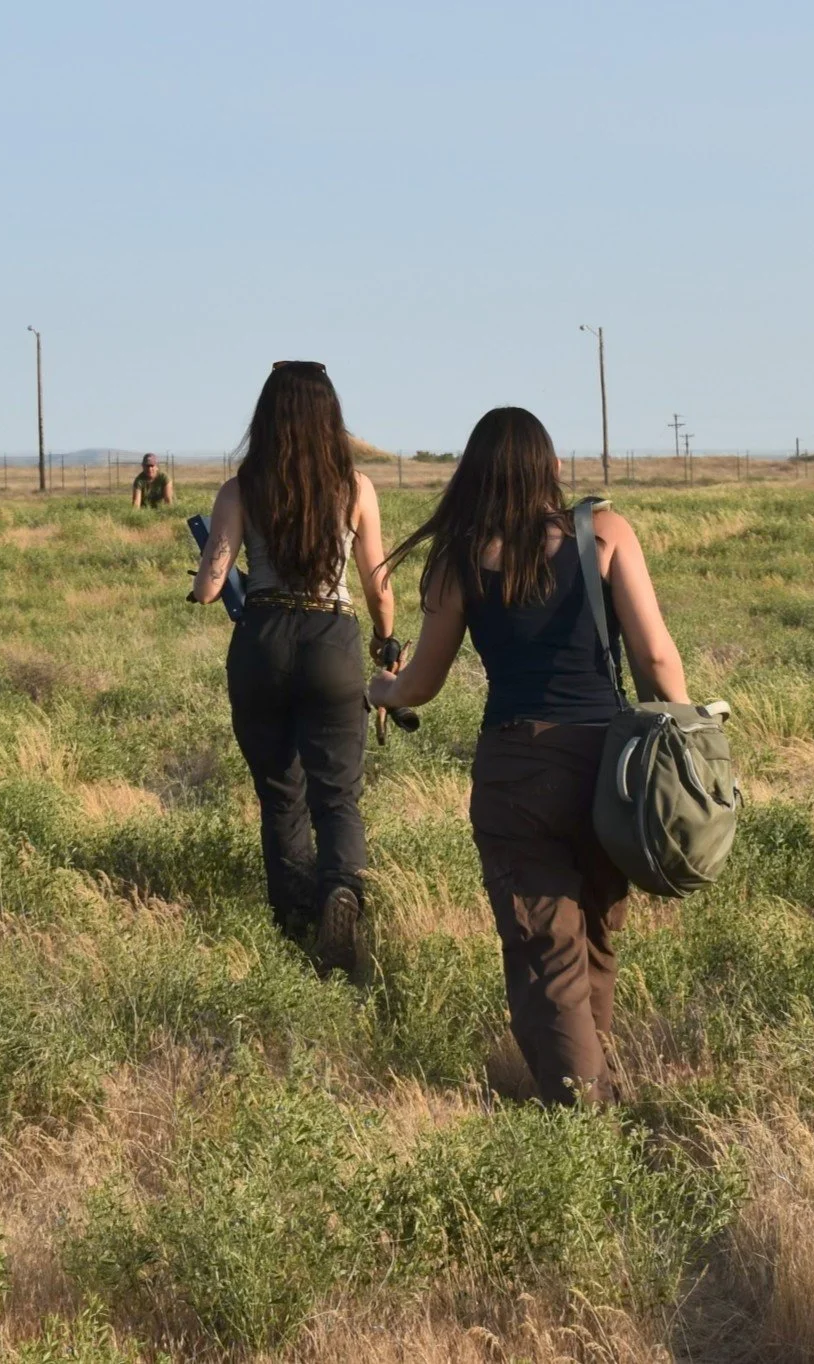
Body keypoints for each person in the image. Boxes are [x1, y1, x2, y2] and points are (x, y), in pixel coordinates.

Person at [368, 407, 689, 1104]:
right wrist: (690, 748)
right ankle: (596, 1095)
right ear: (551, 466)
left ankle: (583, 1113)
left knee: (547, 951)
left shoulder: (459, 559)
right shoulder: (605, 532)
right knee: (594, 937)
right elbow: (658, 658)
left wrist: (381, 690)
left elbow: (421, 682)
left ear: (474, 475)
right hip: (611, 771)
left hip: (518, 770)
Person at [191, 362, 397, 974]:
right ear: (330, 417)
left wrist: (219, 574)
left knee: (281, 795)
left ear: (267, 416)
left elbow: (209, 586)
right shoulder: (355, 488)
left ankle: (297, 926)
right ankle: (343, 891)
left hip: (262, 640)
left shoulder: (241, 489)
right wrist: (386, 641)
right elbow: (378, 585)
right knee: (339, 795)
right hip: (332, 636)